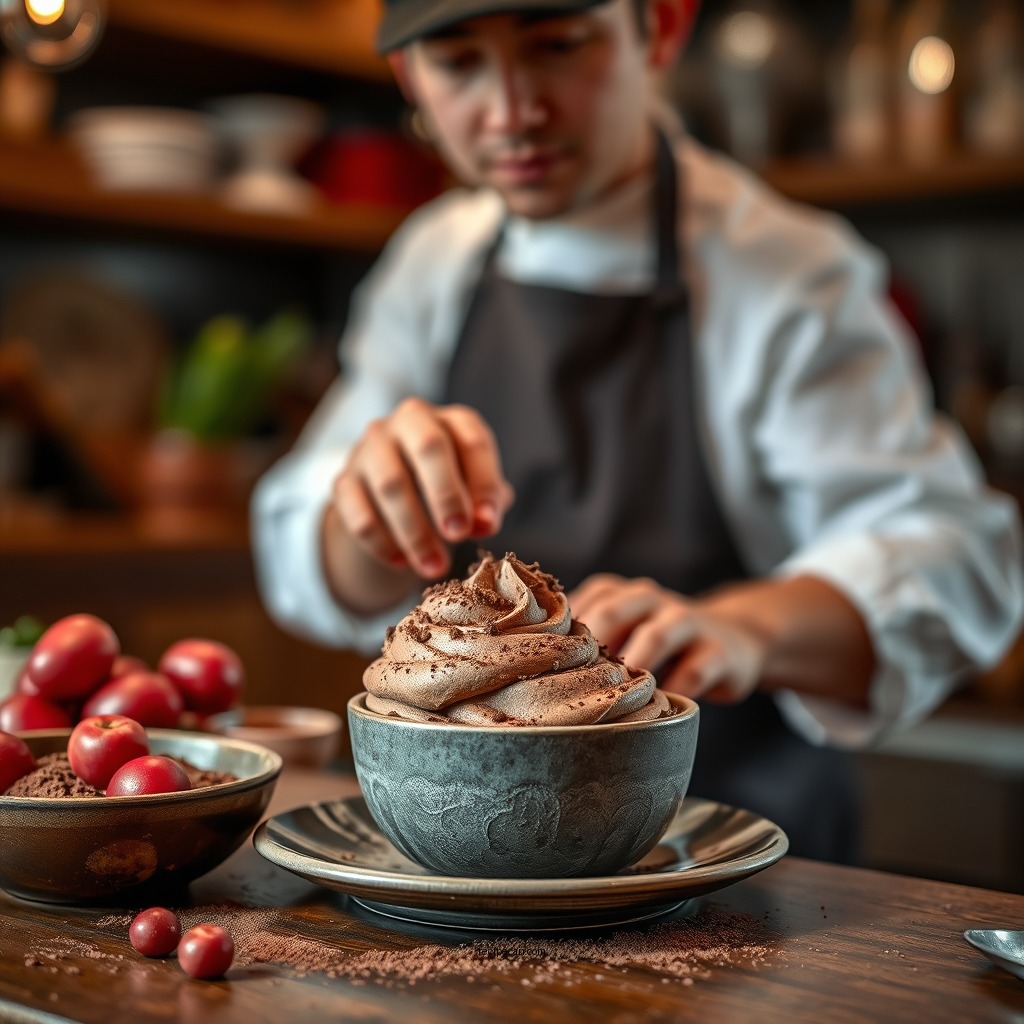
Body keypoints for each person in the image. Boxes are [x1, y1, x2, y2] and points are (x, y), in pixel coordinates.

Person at [251, 0, 1024, 861]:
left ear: (659, 28)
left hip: (737, 858)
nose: (510, 111)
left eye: (556, 45)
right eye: (460, 63)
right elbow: (308, 549)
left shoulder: (789, 270)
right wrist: (369, 513)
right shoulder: (433, 261)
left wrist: (745, 628)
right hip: (469, 857)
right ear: (408, 75)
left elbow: (956, 558)